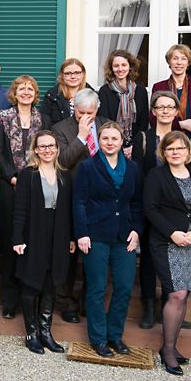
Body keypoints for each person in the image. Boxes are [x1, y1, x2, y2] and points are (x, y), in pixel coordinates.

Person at [144, 131, 191, 375]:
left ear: (187, 152)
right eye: (170, 149)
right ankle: (169, 351)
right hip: (166, 242)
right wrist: (172, 233)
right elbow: (150, 209)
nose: (175, 152)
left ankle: (170, 346)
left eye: (180, 148)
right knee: (177, 293)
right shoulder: (156, 175)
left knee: (184, 296)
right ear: (163, 152)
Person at [73, 121, 144, 358]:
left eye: (115, 139)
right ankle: (98, 339)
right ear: (99, 141)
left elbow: (136, 202)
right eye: (105, 139)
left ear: (122, 141)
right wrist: (82, 233)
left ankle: (115, 336)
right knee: (97, 288)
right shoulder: (87, 167)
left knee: (123, 287)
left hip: (125, 236)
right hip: (96, 235)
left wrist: (137, 229)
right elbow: (79, 202)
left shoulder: (133, 168)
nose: (110, 143)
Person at [0, 75, 50, 319]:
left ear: (35, 94)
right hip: (10, 186)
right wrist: (13, 176)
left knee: (33, 241)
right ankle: (9, 299)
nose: (26, 92)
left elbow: (47, 151)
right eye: (21, 89)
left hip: (37, 187)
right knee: (10, 243)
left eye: (30, 89)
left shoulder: (44, 119)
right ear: (14, 94)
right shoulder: (3, 118)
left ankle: (31, 294)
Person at [13, 130, 73, 354]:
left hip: (58, 233)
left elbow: (68, 210)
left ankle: (46, 332)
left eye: (51, 146)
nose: (47, 150)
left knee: (51, 281)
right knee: (31, 281)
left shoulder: (64, 175)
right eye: (42, 146)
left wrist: (71, 238)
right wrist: (17, 238)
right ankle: (31, 332)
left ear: (57, 148)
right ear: (35, 150)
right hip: (33, 233)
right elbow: (19, 210)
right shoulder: (28, 174)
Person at [52, 88, 108, 323]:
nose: (84, 116)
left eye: (89, 112)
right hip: (71, 197)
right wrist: (82, 136)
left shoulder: (107, 125)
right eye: (80, 112)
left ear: (97, 110)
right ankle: (66, 303)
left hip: (101, 199)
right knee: (69, 253)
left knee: (94, 251)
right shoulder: (61, 128)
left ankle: (89, 301)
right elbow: (63, 161)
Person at [132, 90, 181, 329]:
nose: (164, 111)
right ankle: (149, 307)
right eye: (160, 107)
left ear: (176, 111)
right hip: (150, 207)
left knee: (174, 258)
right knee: (150, 258)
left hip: (175, 209)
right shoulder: (144, 138)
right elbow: (140, 173)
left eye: (169, 107)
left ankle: (171, 305)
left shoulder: (182, 138)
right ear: (153, 111)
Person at [150, 44, 191, 136]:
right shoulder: (159, 87)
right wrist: (180, 125)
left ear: (188, 63)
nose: (179, 62)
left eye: (183, 58)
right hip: (169, 140)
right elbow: (153, 119)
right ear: (169, 62)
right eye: (175, 58)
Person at [97, 50, 149, 157]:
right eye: (116, 66)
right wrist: (118, 145)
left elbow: (143, 122)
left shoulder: (141, 91)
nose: (120, 69)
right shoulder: (104, 91)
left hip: (136, 146)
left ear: (130, 67)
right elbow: (104, 121)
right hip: (112, 145)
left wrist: (133, 146)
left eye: (124, 65)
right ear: (111, 68)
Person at [42, 58, 91, 126]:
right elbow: (46, 124)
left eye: (77, 73)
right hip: (58, 135)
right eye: (68, 73)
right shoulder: (52, 96)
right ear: (62, 75)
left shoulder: (92, 95)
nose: (73, 76)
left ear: (83, 74)